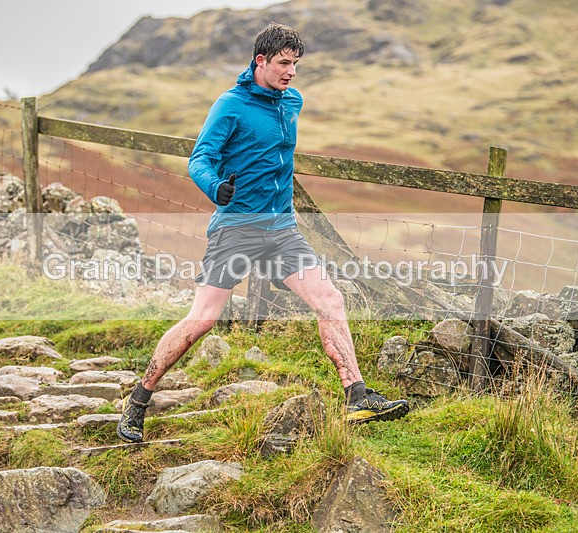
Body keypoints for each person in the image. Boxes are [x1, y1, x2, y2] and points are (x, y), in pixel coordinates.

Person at [117, 22, 409, 443]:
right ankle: (139, 399)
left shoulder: (292, 102)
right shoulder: (231, 105)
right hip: (236, 228)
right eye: (283, 63)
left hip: (281, 229)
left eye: (296, 64)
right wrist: (217, 188)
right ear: (261, 61)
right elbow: (199, 158)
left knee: (330, 298)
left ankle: (356, 396)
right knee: (203, 320)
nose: (291, 72)